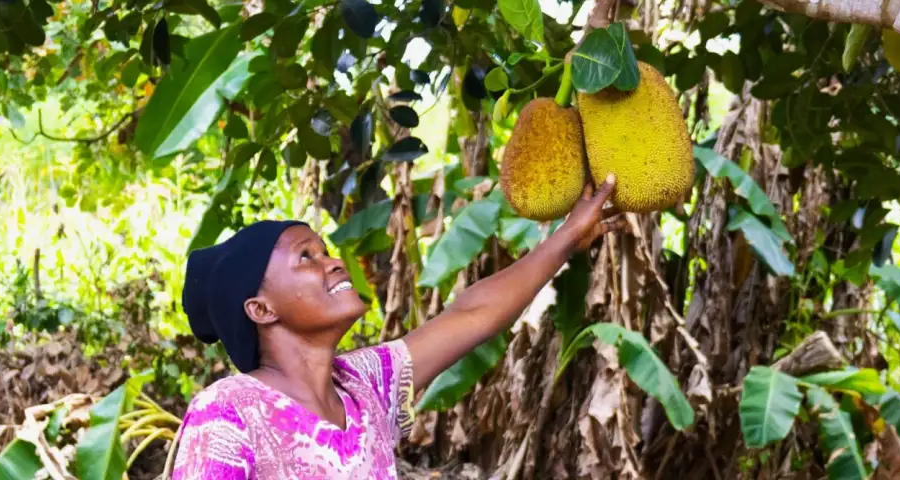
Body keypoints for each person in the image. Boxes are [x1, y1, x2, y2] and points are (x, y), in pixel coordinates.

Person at [168, 174, 623, 479]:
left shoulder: (362, 386)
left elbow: (472, 315)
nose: (332, 263)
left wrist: (566, 238)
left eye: (325, 250)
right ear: (261, 309)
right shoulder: (228, 410)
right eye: (305, 257)